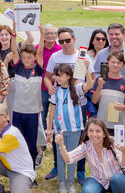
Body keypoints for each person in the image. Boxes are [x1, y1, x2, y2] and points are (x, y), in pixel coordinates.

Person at [92, 24, 125, 170]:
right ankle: (111, 168)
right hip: (109, 104)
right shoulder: (103, 53)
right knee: (110, 139)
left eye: (117, 34)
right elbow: (97, 74)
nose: (114, 37)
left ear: (123, 35)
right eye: (111, 34)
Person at [57, 118, 125, 193]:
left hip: (116, 178)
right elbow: (69, 159)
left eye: (98, 131)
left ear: (104, 134)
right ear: (87, 133)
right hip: (98, 179)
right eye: (91, 131)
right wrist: (61, 145)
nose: (94, 134)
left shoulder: (114, 143)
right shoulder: (86, 146)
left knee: (119, 180)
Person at [46, 62, 95, 193]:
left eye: (60, 75)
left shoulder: (77, 88)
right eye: (56, 76)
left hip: (75, 129)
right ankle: (62, 182)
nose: (57, 78)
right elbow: (52, 110)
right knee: (61, 157)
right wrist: (50, 129)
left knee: (72, 157)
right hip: (59, 130)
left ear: (68, 76)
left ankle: (70, 182)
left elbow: (89, 85)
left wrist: (86, 69)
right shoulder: (55, 91)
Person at [43, 26, 79, 180]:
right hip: (59, 103)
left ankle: (80, 172)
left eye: (68, 40)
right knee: (59, 137)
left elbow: (87, 79)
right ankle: (57, 167)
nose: (65, 43)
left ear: (74, 40)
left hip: (77, 103)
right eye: (61, 41)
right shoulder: (55, 57)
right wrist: (50, 86)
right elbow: (47, 76)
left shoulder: (81, 56)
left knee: (77, 140)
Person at [9, 38, 45, 169]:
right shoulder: (18, 68)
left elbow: (40, 51)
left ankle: (31, 170)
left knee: (31, 144)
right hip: (18, 111)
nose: (26, 60)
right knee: (18, 141)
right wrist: (13, 34)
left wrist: (42, 34)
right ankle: (19, 169)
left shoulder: (39, 69)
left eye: (29, 57)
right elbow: (13, 50)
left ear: (34, 58)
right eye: (24, 57)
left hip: (33, 112)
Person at [35, 24, 62, 171]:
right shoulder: (39, 47)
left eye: (52, 34)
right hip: (42, 88)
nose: (50, 36)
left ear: (56, 35)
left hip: (59, 90)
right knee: (42, 116)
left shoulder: (60, 49)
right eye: (47, 34)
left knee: (56, 117)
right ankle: (43, 141)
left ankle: (55, 140)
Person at [90, 51, 125, 135]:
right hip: (102, 123)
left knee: (118, 147)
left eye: (119, 63)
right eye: (113, 62)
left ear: (123, 65)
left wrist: (124, 106)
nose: (115, 65)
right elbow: (94, 101)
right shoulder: (100, 80)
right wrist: (99, 87)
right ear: (107, 62)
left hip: (119, 124)